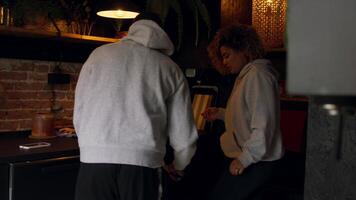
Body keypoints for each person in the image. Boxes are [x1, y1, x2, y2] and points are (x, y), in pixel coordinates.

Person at [73, 12, 198, 200]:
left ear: (132, 29)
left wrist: (91, 146)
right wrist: (179, 165)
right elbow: (183, 131)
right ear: (162, 31)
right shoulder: (170, 68)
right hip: (142, 164)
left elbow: (80, 111)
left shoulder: (98, 55)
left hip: (94, 160)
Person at [202, 24, 284, 200]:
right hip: (254, 159)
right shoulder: (247, 75)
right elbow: (248, 114)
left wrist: (244, 159)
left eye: (227, 55)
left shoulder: (257, 75)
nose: (224, 62)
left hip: (259, 161)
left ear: (244, 49)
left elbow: (264, 124)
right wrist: (221, 114)